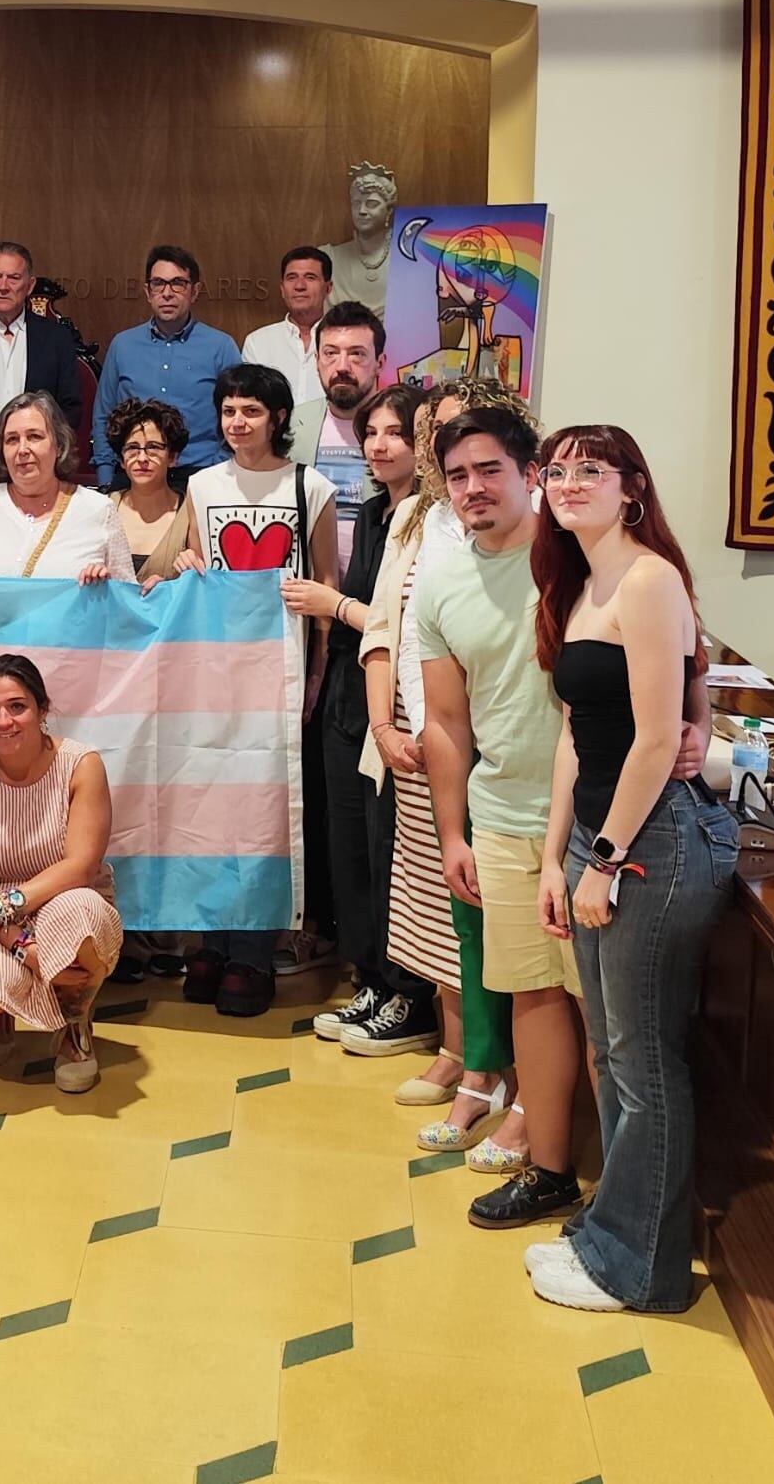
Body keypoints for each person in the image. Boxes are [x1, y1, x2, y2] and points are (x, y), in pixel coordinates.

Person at [530, 425, 734, 1313]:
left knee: (643, 1063)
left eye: (592, 470)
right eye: (559, 470)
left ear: (632, 488)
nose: (571, 483)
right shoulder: (580, 582)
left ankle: (642, 1269)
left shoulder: (648, 580)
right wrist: (555, 855)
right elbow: (582, 732)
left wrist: (603, 862)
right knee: (613, 1060)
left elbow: (659, 742)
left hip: (651, 846)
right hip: (601, 842)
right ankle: (614, 1232)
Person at [418, 405, 586, 1229]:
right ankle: (552, 1169)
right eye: (458, 475)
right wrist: (456, 835)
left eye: (490, 470)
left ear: (529, 474)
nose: (474, 488)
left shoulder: (579, 560)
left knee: (606, 1011)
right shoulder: (442, 582)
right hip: (503, 814)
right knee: (533, 996)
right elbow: (447, 724)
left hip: (594, 823)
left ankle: (624, 1179)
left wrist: (693, 725)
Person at [356, 380, 521, 1156]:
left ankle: (503, 1077)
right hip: (428, 737)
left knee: (499, 925)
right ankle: (465, 1056)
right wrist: (385, 721)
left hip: (501, 748)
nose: (461, 472)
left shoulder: (529, 532)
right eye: (442, 444)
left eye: (474, 449)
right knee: (440, 911)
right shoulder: (418, 516)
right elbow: (387, 622)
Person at [176, 361, 338, 1020]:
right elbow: (195, 571)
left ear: (276, 418)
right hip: (216, 675)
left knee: (268, 817)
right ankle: (212, 939)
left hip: (282, 676)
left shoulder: (313, 487)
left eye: (251, 410)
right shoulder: (202, 485)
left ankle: (252, 948)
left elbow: (326, 591)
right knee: (213, 810)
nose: (238, 422)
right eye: (229, 410)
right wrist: (186, 563)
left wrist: (316, 683)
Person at [278, 385, 424, 1048]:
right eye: (372, 433)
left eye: (396, 432)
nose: (381, 444)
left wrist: (333, 605)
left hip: (396, 699)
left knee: (393, 847)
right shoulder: (369, 514)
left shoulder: (427, 520)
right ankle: (370, 978)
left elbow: (403, 627)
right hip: (347, 688)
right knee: (350, 847)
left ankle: (408, 991)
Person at [0, 655, 121, 1093]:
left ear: (43, 710)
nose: (3, 720)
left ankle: (76, 1025)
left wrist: (5, 908)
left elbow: (81, 865)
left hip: (62, 898)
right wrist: (18, 942)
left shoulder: (82, 764)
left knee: (82, 913)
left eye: (17, 706)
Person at [0, 393, 133, 583]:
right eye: (12, 439)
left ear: (59, 445)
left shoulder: (98, 510)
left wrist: (103, 589)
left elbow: (127, 600)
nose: (22, 449)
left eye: (34, 437)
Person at [93, 245, 242, 486]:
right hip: (133, 472)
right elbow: (103, 415)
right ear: (147, 291)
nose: (167, 293)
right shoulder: (123, 345)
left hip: (201, 475)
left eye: (178, 283)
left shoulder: (221, 347)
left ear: (194, 291)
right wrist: (106, 477)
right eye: (158, 283)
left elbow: (238, 415)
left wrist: (218, 472)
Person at [287, 302, 384, 574]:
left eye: (357, 354)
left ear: (380, 363)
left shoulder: (405, 428)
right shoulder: (291, 424)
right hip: (307, 582)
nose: (342, 367)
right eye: (330, 353)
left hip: (377, 583)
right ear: (317, 360)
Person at [0, 242, 85, 439]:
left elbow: (70, 408)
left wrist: (42, 443)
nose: (3, 287)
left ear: (30, 285)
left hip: (36, 458)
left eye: (14, 278)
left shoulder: (56, 338)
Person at [103, 397, 195, 583]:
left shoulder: (191, 513)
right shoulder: (102, 508)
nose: (142, 458)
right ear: (121, 459)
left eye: (153, 447)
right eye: (132, 448)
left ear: (172, 457)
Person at [241, 247, 334, 406]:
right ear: (282, 289)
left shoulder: (345, 341)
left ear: (328, 288)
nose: (299, 286)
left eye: (310, 277)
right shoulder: (258, 342)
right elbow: (250, 403)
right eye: (291, 278)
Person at [325, 162, 398, 315]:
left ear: (389, 211)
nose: (362, 211)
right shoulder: (330, 258)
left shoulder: (409, 260)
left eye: (372, 204)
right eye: (356, 203)